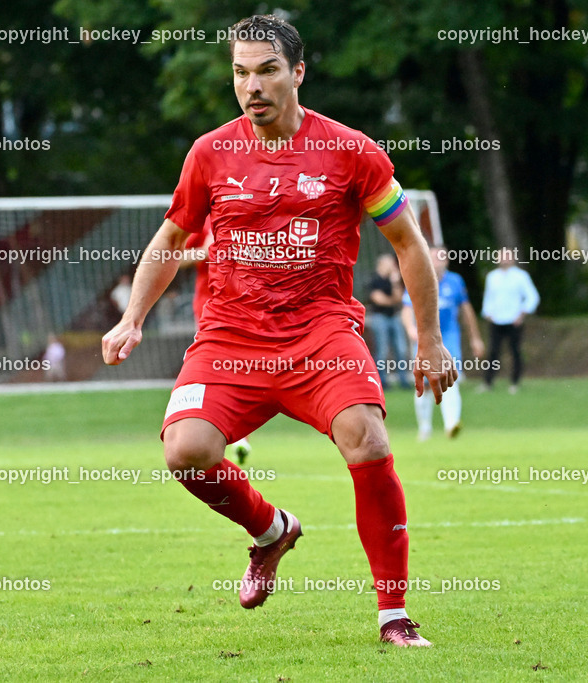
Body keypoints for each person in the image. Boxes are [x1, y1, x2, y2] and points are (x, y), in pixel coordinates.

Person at [102, 15, 456, 648]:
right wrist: (133, 316)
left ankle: (393, 615)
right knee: (184, 451)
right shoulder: (211, 151)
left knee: (368, 440)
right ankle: (271, 532)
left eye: (267, 70)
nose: (252, 86)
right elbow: (172, 237)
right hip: (231, 339)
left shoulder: (351, 150)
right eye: (240, 73)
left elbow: (409, 243)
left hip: (321, 334)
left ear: (297, 72)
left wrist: (429, 340)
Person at [182, 218, 253, 464]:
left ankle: (236, 436)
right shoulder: (205, 221)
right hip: (208, 311)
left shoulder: (254, 213)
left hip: (247, 308)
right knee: (211, 373)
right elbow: (175, 257)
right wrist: (206, 251)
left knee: (244, 373)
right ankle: (203, 435)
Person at [401, 246, 485, 440]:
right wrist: (410, 329)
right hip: (424, 338)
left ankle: (451, 424)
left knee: (451, 379)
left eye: (441, 258)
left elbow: (466, 310)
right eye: (434, 258)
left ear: (447, 261)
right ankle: (425, 428)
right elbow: (406, 308)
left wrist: (475, 337)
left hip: (449, 338)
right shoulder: (416, 277)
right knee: (425, 384)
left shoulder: (455, 281)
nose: (438, 262)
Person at [481, 251, 539, 393]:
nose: (504, 260)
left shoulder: (520, 276)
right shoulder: (492, 277)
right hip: (496, 320)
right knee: (493, 352)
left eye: (507, 256)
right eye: (501, 256)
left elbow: (533, 297)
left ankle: (515, 381)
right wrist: (487, 313)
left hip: (514, 321)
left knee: (515, 351)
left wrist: (522, 313)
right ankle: (488, 382)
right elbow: (489, 297)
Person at [367, 254, 412, 389]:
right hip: (379, 318)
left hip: (395, 316)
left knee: (401, 348)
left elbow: (400, 298)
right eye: (389, 263)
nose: (392, 266)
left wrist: (395, 283)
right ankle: (382, 380)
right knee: (382, 350)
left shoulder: (394, 280)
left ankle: (403, 380)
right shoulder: (373, 280)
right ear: (381, 264)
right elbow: (378, 299)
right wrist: (393, 301)